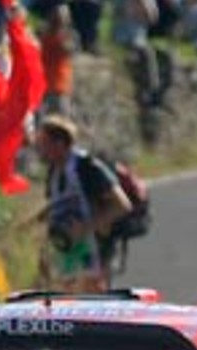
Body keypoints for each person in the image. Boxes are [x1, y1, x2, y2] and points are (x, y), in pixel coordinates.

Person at [33, 114, 129, 291]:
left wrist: (85, 228)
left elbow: (121, 205)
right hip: (67, 250)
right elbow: (57, 205)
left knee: (95, 298)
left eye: (44, 144)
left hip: (96, 248)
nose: (40, 150)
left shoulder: (87, 167)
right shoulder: (54, 172)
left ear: (60, 143)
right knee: (69, 299)